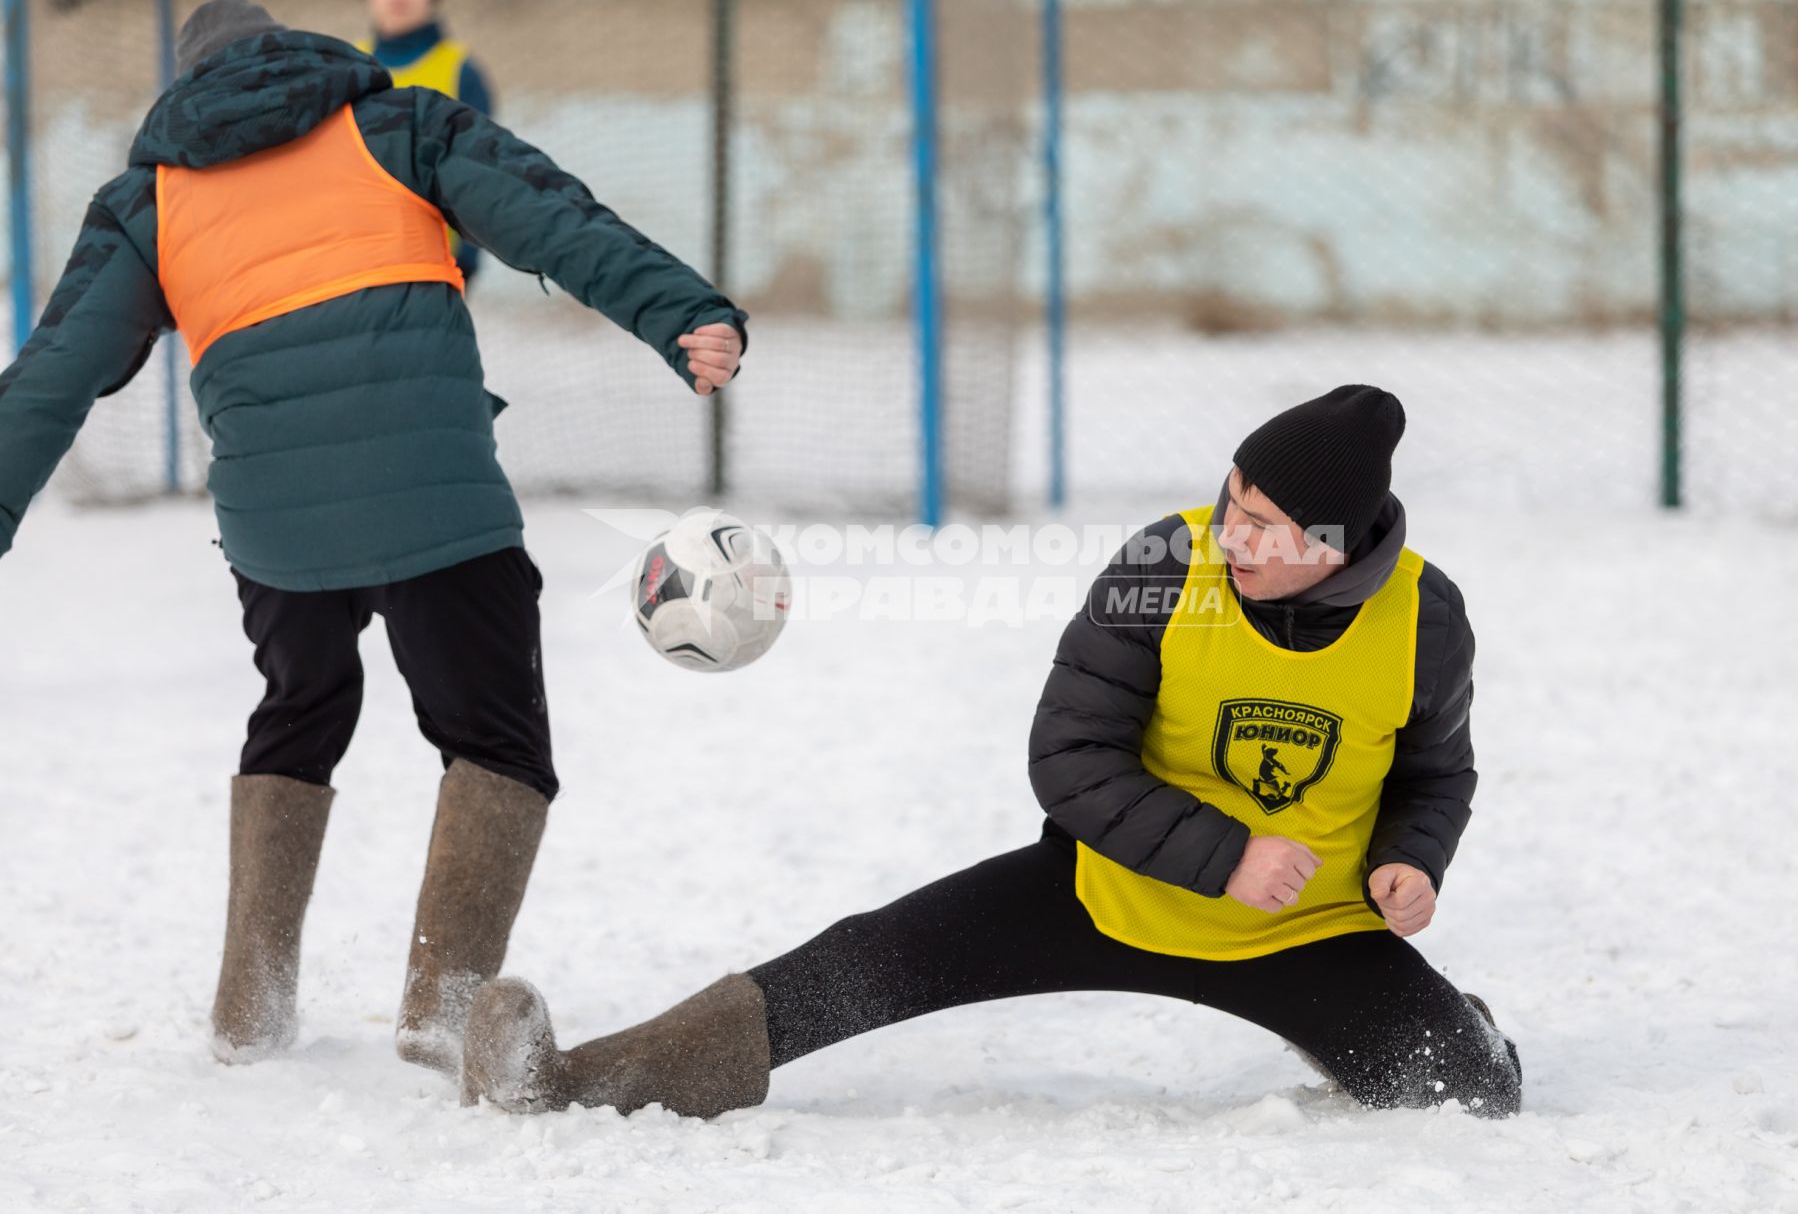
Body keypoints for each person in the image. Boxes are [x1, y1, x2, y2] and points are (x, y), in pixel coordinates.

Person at [0, 0, 747, 1074]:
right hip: (434, 492)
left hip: (275, 526)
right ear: (293, 53)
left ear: (187, 90)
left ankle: (249, 1008)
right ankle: (442, 1009)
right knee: (494, 737)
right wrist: (678, 308)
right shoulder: (397, 124)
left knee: (298, 707)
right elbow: (553, 218)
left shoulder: (145, 201)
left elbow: (54, 374)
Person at [460, 386, 1525, 1121]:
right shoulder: (1167, 558)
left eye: (1264, 524)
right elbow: (1069, 754)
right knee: (866, 962)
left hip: (1308, 928)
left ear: (1332, 548)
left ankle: (1450, 1014)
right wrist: (1228, 855)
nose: (1231, 532)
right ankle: (574, 1080)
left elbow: (1436, 772)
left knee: (1476, 1090)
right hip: (1108, 888)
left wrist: (1413, 858)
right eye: (1232, 500)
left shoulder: (1426, 615)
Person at [358, 0, 493, 280]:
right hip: (358, 264)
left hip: (436, 265)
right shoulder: (348, 65)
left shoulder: (462, 70)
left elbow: (481, 174)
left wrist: (469, 260)